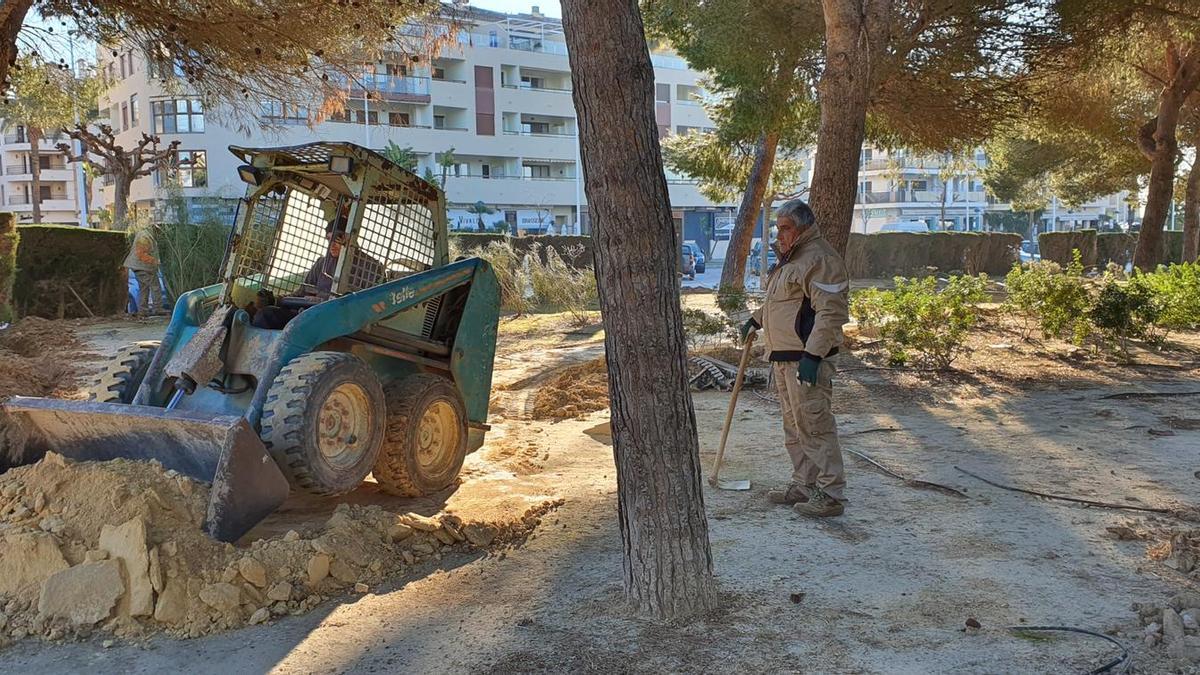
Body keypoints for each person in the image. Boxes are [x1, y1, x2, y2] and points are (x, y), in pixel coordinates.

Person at [740, 199, 850, 518]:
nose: (779, 234)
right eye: (778, 228)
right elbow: (783, 303)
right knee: (795, 425)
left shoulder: (820, 259)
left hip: (807, 359)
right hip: (785, 358)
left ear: (802, 227)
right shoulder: (793, 259)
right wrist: (757, 319)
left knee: (814, 424)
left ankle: (830, 494)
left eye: (785, 228)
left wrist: (813, 356)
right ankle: (804, 483)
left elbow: (830, 313)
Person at [124, 223, 165, 316]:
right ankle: (158, 308)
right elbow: (141, 254)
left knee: (144, 288)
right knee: (155, 286)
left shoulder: (147, 235)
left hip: (140, 267)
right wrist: (155, 261)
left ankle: (143, 311)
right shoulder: (144, 237)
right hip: (141, 267)